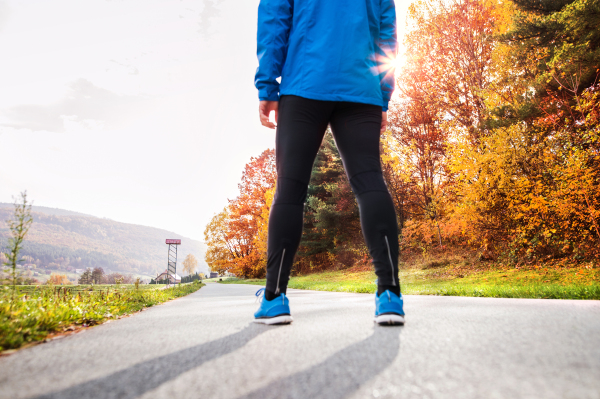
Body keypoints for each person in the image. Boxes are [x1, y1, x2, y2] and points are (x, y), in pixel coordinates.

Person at [253, 0, 404, 326]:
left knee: (291, 187)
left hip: (306, 82)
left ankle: (274, 297)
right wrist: (383, 94)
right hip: (361, 85)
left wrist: (267, 84)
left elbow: (275, 19)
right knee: (369, 181)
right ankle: (389, 294)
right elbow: (386, 31)